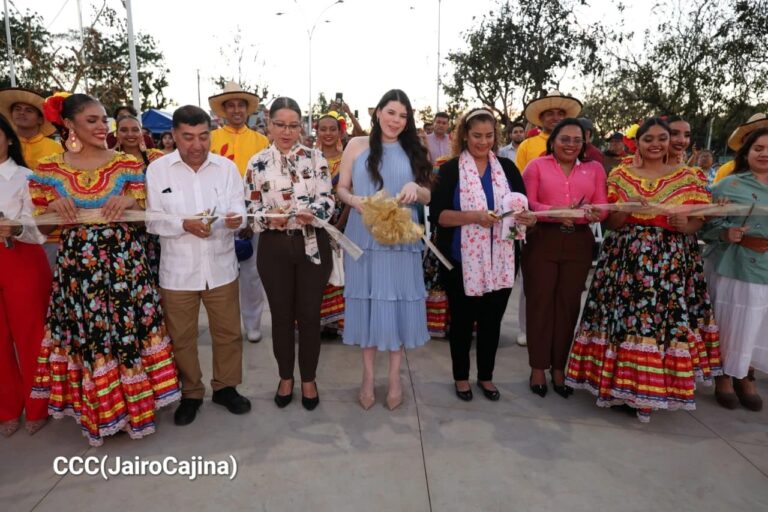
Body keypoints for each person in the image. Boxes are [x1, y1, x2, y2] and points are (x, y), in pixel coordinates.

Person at [29, 93, 181, 446]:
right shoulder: (48, 170)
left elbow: (147, 214)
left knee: (129, 335)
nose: (102, 127)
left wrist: (131, 201)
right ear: (70, 125)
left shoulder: (127, 166)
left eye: (103, 120)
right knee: (91, 338)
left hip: (125, 263)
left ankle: (136, 412)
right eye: (92, 120)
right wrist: (53, 206)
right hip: (78, 269)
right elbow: (38, 228)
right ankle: (101, 413)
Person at [565, 117, 722, 422]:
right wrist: (626, 209)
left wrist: (684, 224)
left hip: (669, 264)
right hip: (624, 260)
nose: (656, 145)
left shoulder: (689, 177)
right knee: (622, 321)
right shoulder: (622, 174)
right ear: (637, 143)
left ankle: (649, 393)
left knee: (658, 325)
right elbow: (609, 222)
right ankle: (618, 387)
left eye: (662, 139)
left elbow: (698, 222)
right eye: (648, 139)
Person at [146, 105, 250, 426]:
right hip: (177, 272)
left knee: (229, 333)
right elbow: (151, 220)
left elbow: (239, 210)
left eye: (203, 136)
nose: (197, 145)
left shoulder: (226, 169)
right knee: (182, 337)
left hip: (220, 266)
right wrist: (183, 224)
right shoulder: (158, 170)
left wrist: (236, 220)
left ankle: (225, 387)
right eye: (188, 137)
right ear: (174, 135)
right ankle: (191, 393)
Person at [430, 108, 536, 402]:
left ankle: (486, 377)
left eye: (489, 136)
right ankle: (461, 377)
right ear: (464, 134)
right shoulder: (450, 170)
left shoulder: (507, 168)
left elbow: (525, 209)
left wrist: (530, 219)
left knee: (492, 323)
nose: (483, 141)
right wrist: (474, 216)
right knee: (463, 324)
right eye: (477, 135)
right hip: (461, 262)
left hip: (502, 261)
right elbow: (439, 216)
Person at [337, 89, 432, 411]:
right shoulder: (356, 145)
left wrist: (415, 189)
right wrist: (355, 201)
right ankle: (366, 378)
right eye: (391, 113)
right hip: (363, 237)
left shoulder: (415, 149)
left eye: (403, 116)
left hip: (401, 239)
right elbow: (342, 187)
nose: (396, 120)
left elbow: (429, 195)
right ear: (378, 112)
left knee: (397, 306)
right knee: (366, 304)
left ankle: (394, 378)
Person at [245, 97, 334, 411]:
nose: (286, 131)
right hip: (273, 248)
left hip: (312, 245)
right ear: (268, 125)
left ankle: (308, 378)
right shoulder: (256, 162)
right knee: (281, 318)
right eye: (280, 124)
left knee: (310, 317)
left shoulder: (316, 159)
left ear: (301, 126)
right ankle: (286, 377)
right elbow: (250, 207)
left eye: (293, 125)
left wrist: (315, 212)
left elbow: (328, 201)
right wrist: (267, 217)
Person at [522, 118, 607, 398]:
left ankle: (559, 367)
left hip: (579, 242)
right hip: (543, 238)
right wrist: (558, 211)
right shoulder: (537, 166)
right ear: (553, 140)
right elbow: (529, 203)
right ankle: (537, 367)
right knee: (540, 302)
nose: (571, 144)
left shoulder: (594, 169)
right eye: (564, 139)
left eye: (577, 140)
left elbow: (602, 206)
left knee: (568, 305)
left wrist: (594, 212)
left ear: (585, 143)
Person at [703, 127, 768, 412]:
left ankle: (747, 375)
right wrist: (725, 233)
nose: (764, 154)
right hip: (734, 262)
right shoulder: (728, 185)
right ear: (747, 153)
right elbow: (703, 223)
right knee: (729, 321)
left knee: (758, 325)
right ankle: (724, 376)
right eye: (758, 148)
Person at [0, 113, 52, 437]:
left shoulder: (26, 177)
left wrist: (16, 226)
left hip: (21, 258)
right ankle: (7, 408)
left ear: (8, 138)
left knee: (31, 336)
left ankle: (38, 406)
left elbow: (40, 228)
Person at [209, 81, 270, 344]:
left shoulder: (261, 141)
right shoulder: (210, 139)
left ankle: (253, 324)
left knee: (251, 274)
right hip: (216, 218)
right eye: (230, 105)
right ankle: (225, 327)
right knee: (219, 276)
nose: (236, 110)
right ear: (223, 110)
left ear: (247, 110)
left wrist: (249, 217)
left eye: (240, 105)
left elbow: (264, 183)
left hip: (251, 218)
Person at [0, 87, 65, 268]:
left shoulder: (55, 149)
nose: (22, 113)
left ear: (40, 118)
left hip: (49, 231)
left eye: (28, 110)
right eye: (17, 109)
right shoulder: (5, 144)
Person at [115, 115, 166, 280]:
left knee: (159, 277)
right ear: (116, 134)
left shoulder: (157, 158)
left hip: (155, 228)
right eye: (124, 130)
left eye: (135, 129)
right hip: (123, 231)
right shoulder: (109, 161)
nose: (130, 134)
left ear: (142, 133)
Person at [317, 111, 351, 332]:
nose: (328, 133)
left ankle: (339, 323)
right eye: (323, 129)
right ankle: (319, 322)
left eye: (332, 129)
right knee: (318, 271)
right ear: (317, 131)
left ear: (340, 131)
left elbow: (352, 193)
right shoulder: (309, 158)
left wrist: (339, 225)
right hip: (315, 224)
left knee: (342, 270)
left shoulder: (348, 159)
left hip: (343, 222)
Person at [516, 91, 582, 174]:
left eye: (560, 114)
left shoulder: (575, 145)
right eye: (550, 114)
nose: (556, 118)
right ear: (541, 118)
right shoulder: (526, 146)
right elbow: (520, 179)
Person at [713, 113, 768, 185]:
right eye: (758, 148)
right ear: (744, 140)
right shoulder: (728, 169)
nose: (764, 154)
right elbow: (715, 194)